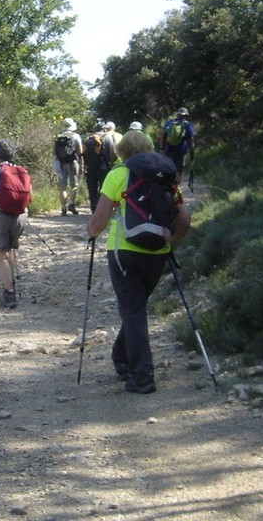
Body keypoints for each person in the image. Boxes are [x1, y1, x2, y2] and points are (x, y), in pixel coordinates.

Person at [86, 131, 191, 394]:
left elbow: (98, 222)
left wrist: (91, 232)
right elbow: (184, 220)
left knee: (132, 311)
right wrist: (170, 242)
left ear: (122, 152)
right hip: (158, 252)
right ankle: (121, 360)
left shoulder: (117, 175)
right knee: (135, 307)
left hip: (124, 251)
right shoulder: (166, 176)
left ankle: (142, 376)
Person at [0, 139, 32, 308]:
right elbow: (30, 197)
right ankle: (11, 284)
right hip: (21, 215)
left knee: (0, 255)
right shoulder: (22, 171)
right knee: (8, 250)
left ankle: (9, 293)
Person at [52, 118, 83, 216]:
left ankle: (63, 207)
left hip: (61, 164)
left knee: (62, 187)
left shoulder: (58, 137)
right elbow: (80, 151)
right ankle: (72, 204)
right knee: (74, 185)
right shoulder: (76, 136)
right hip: (72, 163)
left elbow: (54, 152)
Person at [158, 107, 196, 182]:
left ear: (177, 115)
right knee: (179, 171)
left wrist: (161, 148)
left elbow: (162, 136)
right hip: (181, 151)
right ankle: (176, 188)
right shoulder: (188, 126)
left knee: (168, 168)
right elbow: (191, 142)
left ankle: (168, 187)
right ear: (186, 115)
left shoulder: (169, 123)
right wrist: (192, 154)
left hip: (168, 150)